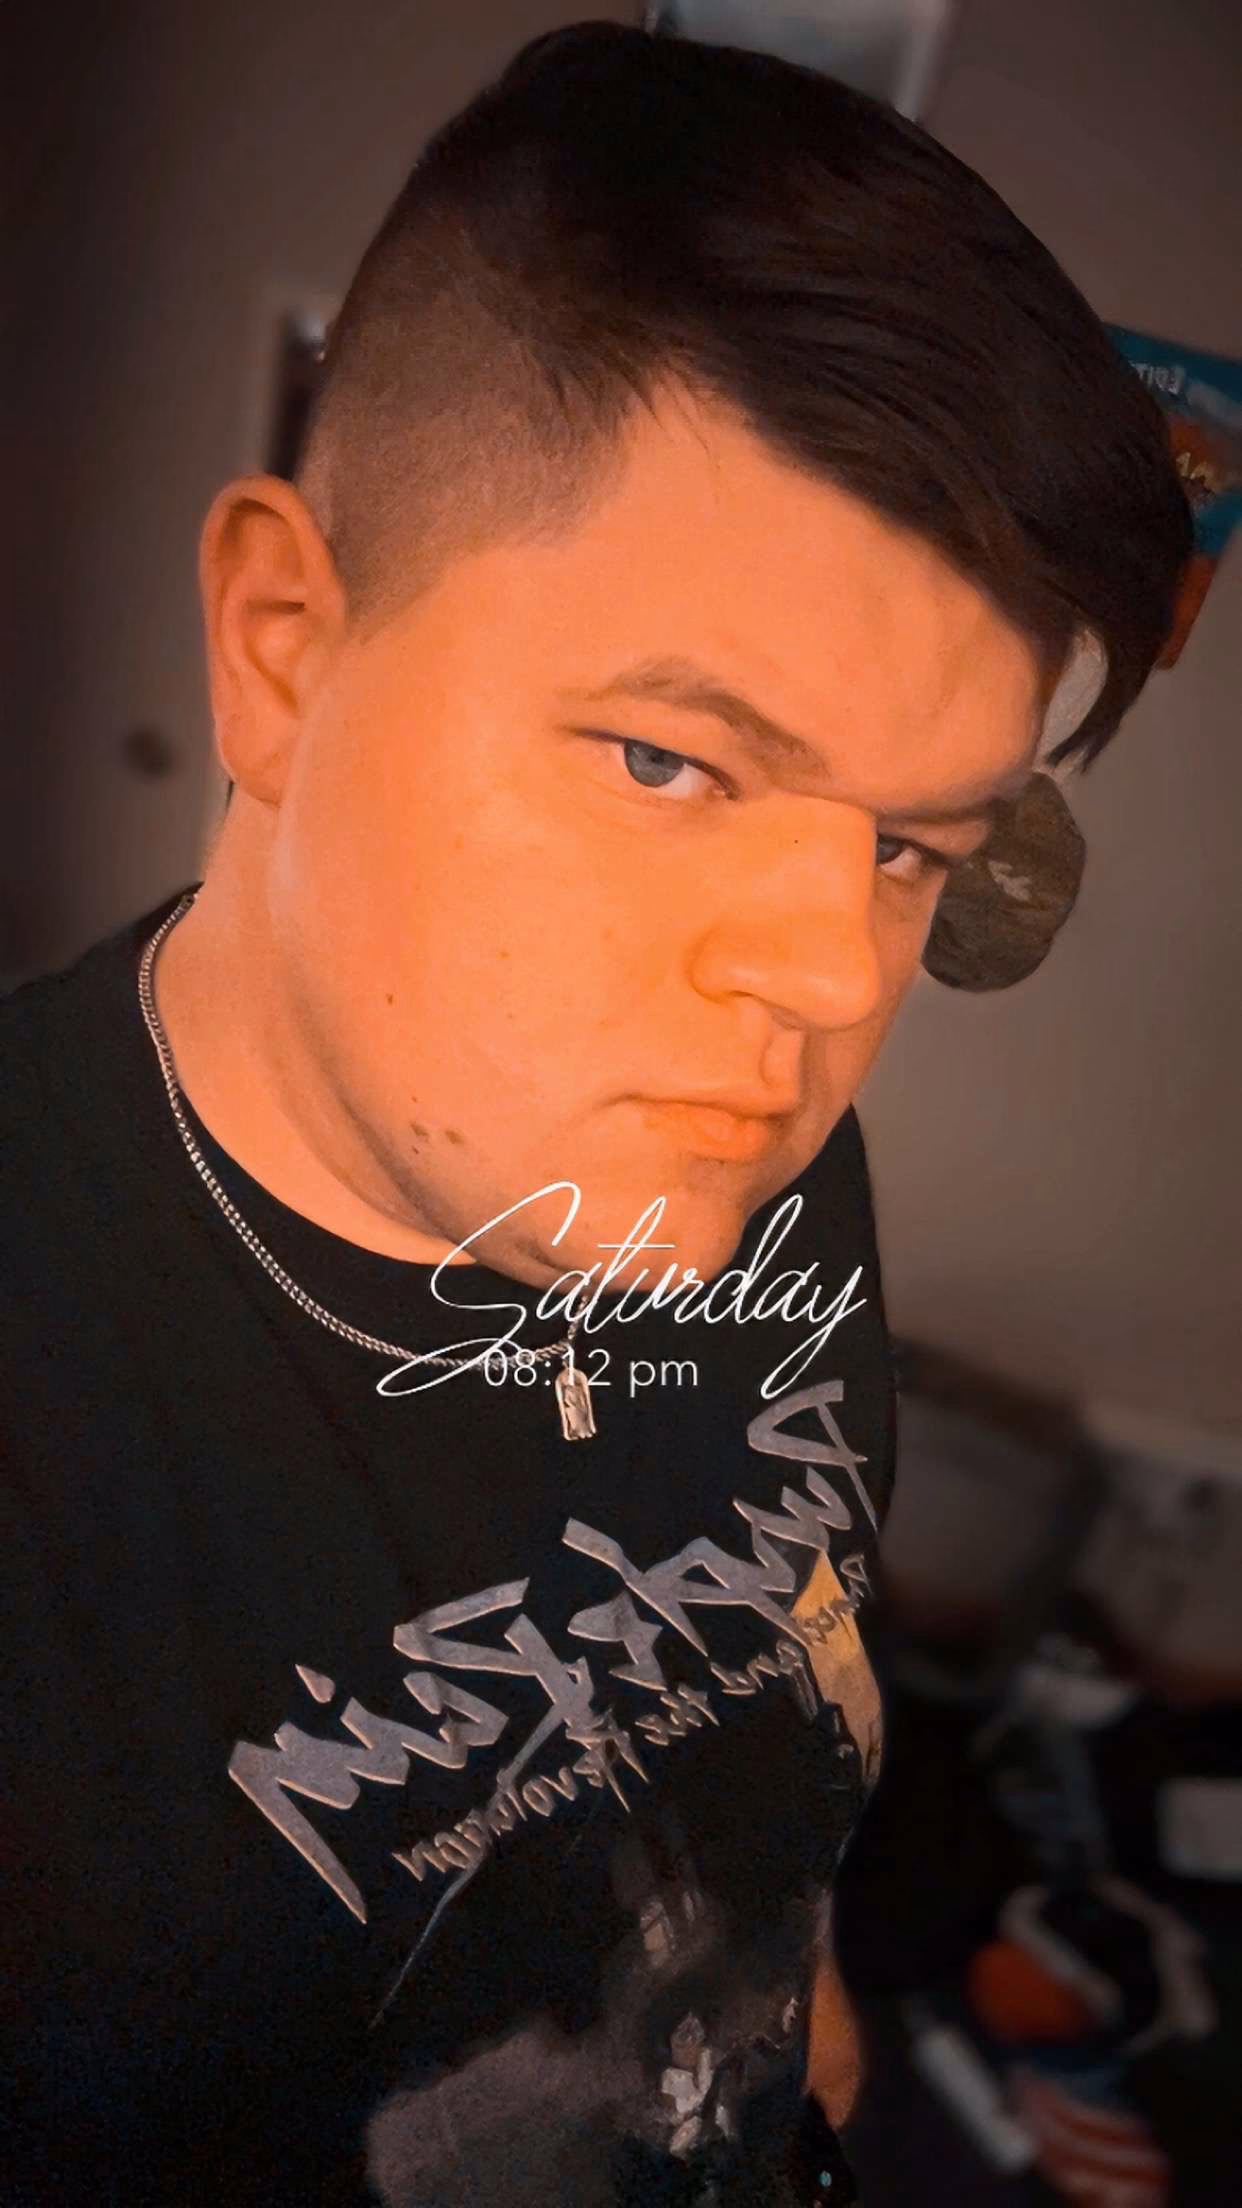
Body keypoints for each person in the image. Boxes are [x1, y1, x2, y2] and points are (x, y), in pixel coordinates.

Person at [0, 20, 1190, 2207]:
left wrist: (805, 2040)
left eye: (906, 847)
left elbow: (769, 1740)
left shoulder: (747, 1159)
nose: (829, 979)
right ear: (280, 648)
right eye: (670, 761)